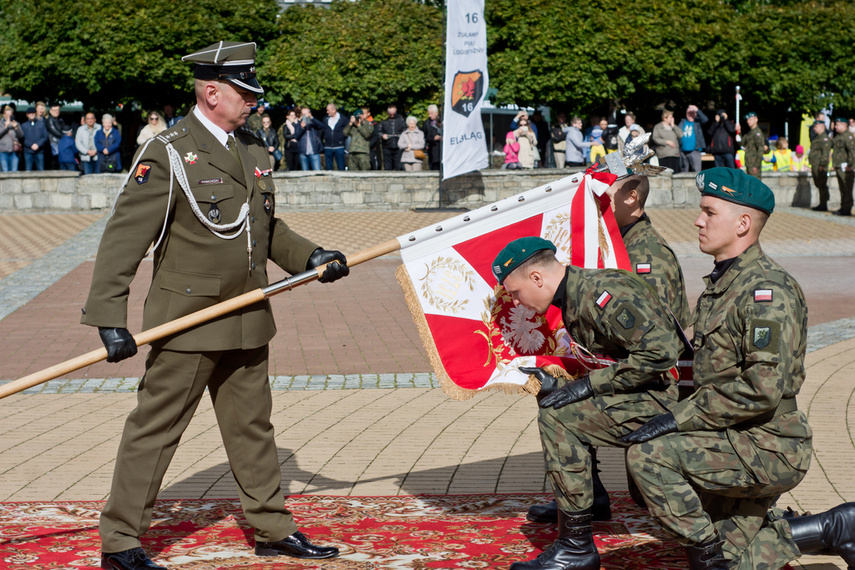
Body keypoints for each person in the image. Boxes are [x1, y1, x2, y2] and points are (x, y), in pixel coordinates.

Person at [82, 40, 349, 570]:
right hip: (190, 320)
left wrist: (310, 256)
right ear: (211, 93)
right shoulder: (168, 153)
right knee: (156, 430)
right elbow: (123, 239)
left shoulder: (250, 147)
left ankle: (272, 527)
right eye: (244, 93)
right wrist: (109, 317)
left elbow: (264, 227)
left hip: (248, 313)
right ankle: (120, 540)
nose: (253, 102)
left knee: (253, 428)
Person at [623, 167, 855, 570]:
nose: (698, 221)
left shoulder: (767, 291)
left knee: (650, 458)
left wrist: (677, 419)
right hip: (729, 435)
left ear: (743, 223)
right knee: (733, 554)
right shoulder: (724, 282)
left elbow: (761, 387)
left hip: (767, 445)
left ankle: (716, 557)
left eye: (709, 212)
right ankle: (828, 528)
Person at [493, 236, 682, 570]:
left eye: (517, 292)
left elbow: (660, 353)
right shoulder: (576, 293)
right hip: (644, 390)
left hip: (667, 398)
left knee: (559, 417)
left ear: (537, 277)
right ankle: (588, 500)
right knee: (557, 397)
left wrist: (587, 386)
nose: (518, 302)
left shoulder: (601, 295)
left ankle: (576, 548)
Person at [525, 174, 692, 527]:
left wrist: (594, 382)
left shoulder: (646, 254)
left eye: (605, 195)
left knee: (646, 491)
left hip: (657, 382)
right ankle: (588, 497)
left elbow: (659, 342)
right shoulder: (616, 241)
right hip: (630, 371)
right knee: (558, 394)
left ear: (631, 198)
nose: (596, 202)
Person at [831, 116, 855, 216]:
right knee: (842, 188)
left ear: (844, 125)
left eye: (837, 125)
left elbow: (852, 152)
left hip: (846, 168)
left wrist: (850, 165)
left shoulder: (848, 136)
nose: (835, 127)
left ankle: (847, 208)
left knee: (847, 188)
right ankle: (843, 207)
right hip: (839, 166)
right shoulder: (838, 136)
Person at [809, 120, 833, 211]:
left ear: (821, 126)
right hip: (816, 165)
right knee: (819, 184)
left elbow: (825, 153)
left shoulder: (824, 138)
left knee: (822, 185)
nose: (814, 128)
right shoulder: (817, 138)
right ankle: (822, 203)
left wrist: (822, 164)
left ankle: (823, 204)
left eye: (816, 126)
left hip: (820, 166)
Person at [678, 105, 708, 172]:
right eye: (688, 113)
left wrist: (697, 110)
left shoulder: (697, 122)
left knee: (696, 171)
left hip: (695, 151)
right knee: (683, 172)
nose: (690, 115)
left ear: (695, 114)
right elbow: (677, 134)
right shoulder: (682, 122)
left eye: (692, 113)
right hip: (683, 152)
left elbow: (705, 120)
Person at [21, 106, 48, 171]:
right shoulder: (23, 125)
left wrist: (38, 144)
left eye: (33, 113)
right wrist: (31, 145)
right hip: (28, 151)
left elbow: (45, 136)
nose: (32, 114)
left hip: (39, 150)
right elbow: (22, 138)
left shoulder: (41, 124)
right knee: (28, 170)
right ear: (27, 115)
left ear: (35, 114)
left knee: (41, 169)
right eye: (30, 113)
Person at [378, 104, 405, 170]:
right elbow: (378, 132)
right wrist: (382, 135)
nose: (392, 116)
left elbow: (405, 131)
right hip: (387, 147)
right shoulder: (383, 120)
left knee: (399, 167)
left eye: (394, 114)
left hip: (398, 147)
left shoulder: (400, 119)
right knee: (388, 167)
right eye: (390, 114)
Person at [321, 103, 347, 171]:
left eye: (328, 110)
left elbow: (347, 131)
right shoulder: (325, 119)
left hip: (339, 146)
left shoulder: (343, 119)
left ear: (334, 110)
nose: (327, 112)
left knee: (341, 167)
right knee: (329, 168)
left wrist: (342, 139)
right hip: (328, 147)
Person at [742, 111, 765, 178]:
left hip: (754, 163)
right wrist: (739, 131)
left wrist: (756, 165)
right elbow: (742, 143)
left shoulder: (757, 133)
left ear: (756, 119)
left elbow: (761, 149)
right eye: (747, 120)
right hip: (749, 163)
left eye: (750, 119)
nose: (748, 121)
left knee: (755, 182)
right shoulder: (749, 133)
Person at [0, 105, 23, 172]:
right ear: (4, 115)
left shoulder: (16, 123)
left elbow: (21, 135)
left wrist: (16, 128)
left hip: (14, 151)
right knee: (5, 171)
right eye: (7, 115)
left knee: (14, 171)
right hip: (3, 151)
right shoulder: (0, 124)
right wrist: (6, 127)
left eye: (10, 115)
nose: (9, 117)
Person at [45, 104, 67, 170]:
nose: (56, 112)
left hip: (60, 143)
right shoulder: (49, 120)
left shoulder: (60, 120)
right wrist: (64, 137)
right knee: (54, 162)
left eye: (58, 110)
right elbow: (54, 131)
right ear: (50, 111)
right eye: (54, 110)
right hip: (53, 143)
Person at [422, 104, 442, 171]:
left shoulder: (444, 121)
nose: (429, 115)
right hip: (432, 150)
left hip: (442, 148)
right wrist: (432, 139)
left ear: (436, 113)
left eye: (431, 113)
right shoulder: (426, 123)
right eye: (429, 113)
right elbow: (424, 136)